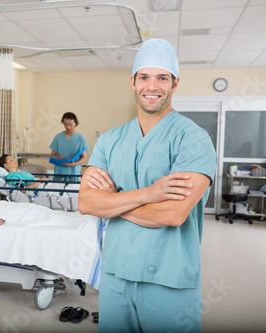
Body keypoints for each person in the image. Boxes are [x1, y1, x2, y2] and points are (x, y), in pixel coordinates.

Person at [78, 39, 217, 333]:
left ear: (175, 83)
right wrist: (149, 195)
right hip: (116, 273)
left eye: (162, 77)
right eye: (144, 77)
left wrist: (113, 201)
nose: (151, 86)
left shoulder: (193, 139)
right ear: (132, 81)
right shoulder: (109, 141)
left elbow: (172, 214)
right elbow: (87, 204)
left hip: (169, 277)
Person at [50, 112, 88, 181]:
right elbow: (52, 155)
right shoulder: (58, 137)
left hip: (73, 172)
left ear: (75, 123)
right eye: (65, 124)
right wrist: (56, 157)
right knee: (56, 190)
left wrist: (75, 164)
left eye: (70, 124)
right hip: (59, 171)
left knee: (71, 190)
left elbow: (84, 157)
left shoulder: (81, 139)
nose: (68, 127)